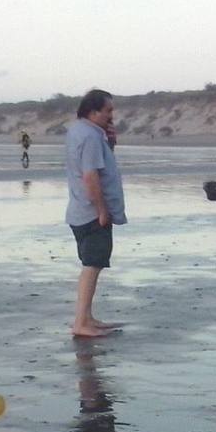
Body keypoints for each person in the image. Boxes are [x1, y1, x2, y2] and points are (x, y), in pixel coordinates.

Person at [65, 89, 126, 338]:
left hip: (80, 209)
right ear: (93, 112)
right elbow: (90, 177)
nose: (111, 116)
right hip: (90, 212)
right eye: (108, 111)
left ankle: (87, 318)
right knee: (92, 265)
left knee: (92, 264)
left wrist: (110, 144)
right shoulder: (89, 136)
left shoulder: (81, 130)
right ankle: (81, 322)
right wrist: (102, 210)